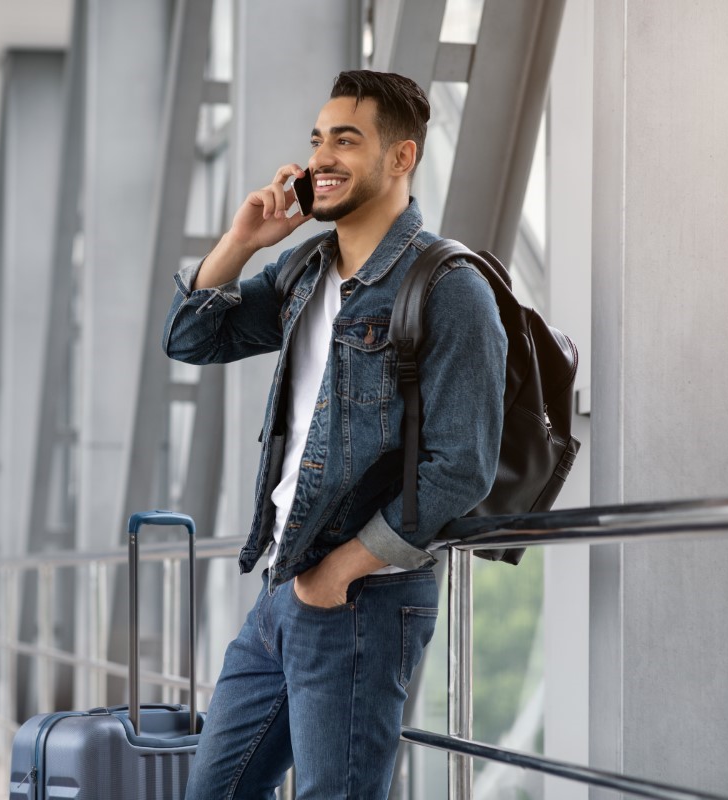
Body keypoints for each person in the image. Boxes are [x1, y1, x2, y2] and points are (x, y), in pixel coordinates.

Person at [163, 70, 507, 800]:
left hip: (364, 598)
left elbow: (461, 468)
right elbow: (192, 338)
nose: (321, 156)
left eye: (345, 141)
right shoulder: (305, 270)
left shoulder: (448, 287)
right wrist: (243, 238)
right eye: (318, 139)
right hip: (282, 589)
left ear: (401, 158)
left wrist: (340, 571)